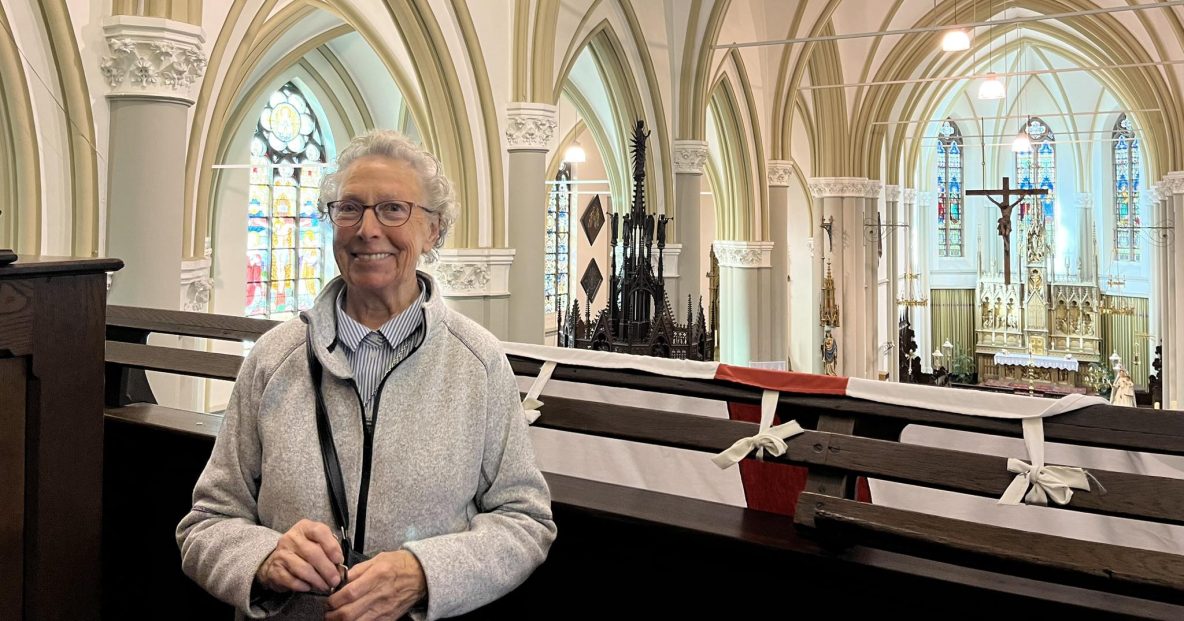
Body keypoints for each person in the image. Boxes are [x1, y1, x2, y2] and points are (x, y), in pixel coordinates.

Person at [177, 130, 556, 620]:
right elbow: (207, 523)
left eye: (393, 209)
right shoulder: (274, 358)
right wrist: (263, 560)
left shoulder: (477, 364)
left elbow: (526, 521)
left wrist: (425, 573)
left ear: (433, 230)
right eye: (349, 208)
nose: (367, 229)